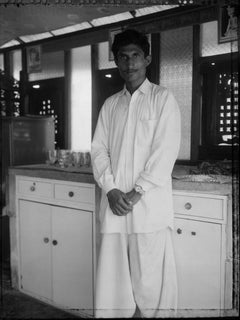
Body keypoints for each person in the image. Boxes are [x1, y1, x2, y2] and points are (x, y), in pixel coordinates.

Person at [91, 29, 181, 318]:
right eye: (123, 57)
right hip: (115, 207)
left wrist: (136, 191)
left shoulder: (162, 99)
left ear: (147, 59)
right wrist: (111, 189)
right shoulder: (110, 105)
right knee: (113, 286)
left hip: (148, 211)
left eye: (135, 56)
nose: (129, 64)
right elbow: (99, 151)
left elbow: (165, 151)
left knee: (151, 285)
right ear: (116, 63)